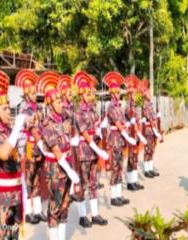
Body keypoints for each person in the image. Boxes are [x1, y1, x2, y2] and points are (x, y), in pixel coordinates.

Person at [0, 69, 28, 239]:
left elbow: (17, 163)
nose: (9, 111)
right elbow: (3, 153)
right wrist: (17, 128)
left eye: (9, 107)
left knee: (14, 237)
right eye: (4, 108)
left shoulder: (10, 134)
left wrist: (24, 192)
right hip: (1, 200)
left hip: (15, 195)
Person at [37, 71, 81, 240]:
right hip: (55, 170)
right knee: (55, 207)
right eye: (57, 101)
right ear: (49, 103)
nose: (60, 104)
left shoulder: (63, 119)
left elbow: (72, 124)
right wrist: (71, 172)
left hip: (67, 165)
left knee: (65, 205)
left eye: (61, 100)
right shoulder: (48, 123)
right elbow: (56, 150)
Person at [73, 71, 109, 228]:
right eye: (88, 93)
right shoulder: (78, 112)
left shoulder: (93, 110)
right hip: (84, 152)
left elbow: (95, 128)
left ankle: (94, 214)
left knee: (94, 183)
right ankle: (82, 215)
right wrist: (97, 149)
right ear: (81, 95)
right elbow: (85, 134)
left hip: (93, 150)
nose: (91, 96)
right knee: (83, 184)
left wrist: (101, 128)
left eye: (91, 93)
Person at [15, 69, 47, 224]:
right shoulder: (23, 109)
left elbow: (43, 124)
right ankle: (28, 212)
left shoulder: (39, 108)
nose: (35, 95)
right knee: (29, 179)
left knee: (38, 179)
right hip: (29, 146)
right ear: (26, 95)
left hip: (40, 146)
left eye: (35, 92)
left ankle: (38, 210)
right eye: (32, 93)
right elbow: (28, 126)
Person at [103, 71, 136, 206]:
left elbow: (123, 121)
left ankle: (119, 194)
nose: (117, 95)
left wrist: (128, 125)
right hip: (115, 139)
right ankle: (113, 196)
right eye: (115, 93)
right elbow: (117, 124)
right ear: (111, 93)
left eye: (118, 93)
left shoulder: (120, 106)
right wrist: (128, 137)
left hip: (120, 139)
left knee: (120, 167)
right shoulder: (111, 107)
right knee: (115, 167)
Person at [125, 75, 147, 191]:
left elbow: (137, 120)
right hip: (131, 135)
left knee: (135, 157)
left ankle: (134, 180)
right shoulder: (128, 106)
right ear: (129, 94)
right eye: (132, 93)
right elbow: (131, 122)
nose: (134, 95)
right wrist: (138, 134)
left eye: (134, 93)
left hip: (136, 134)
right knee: (131, 158)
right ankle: (130, 182)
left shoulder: (135, 105)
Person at [140, 79, 163, 178]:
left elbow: (154, 117)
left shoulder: (150, 104)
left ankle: (150, 168)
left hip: (152, 129)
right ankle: (146, 170)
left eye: (149, 92)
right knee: (148, 150)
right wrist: (156, 130)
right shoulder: (145, 105)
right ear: (144, 94)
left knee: (152, 149)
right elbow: (150, 118)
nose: (149, 93)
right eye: (147, 92)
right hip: (148, 129)